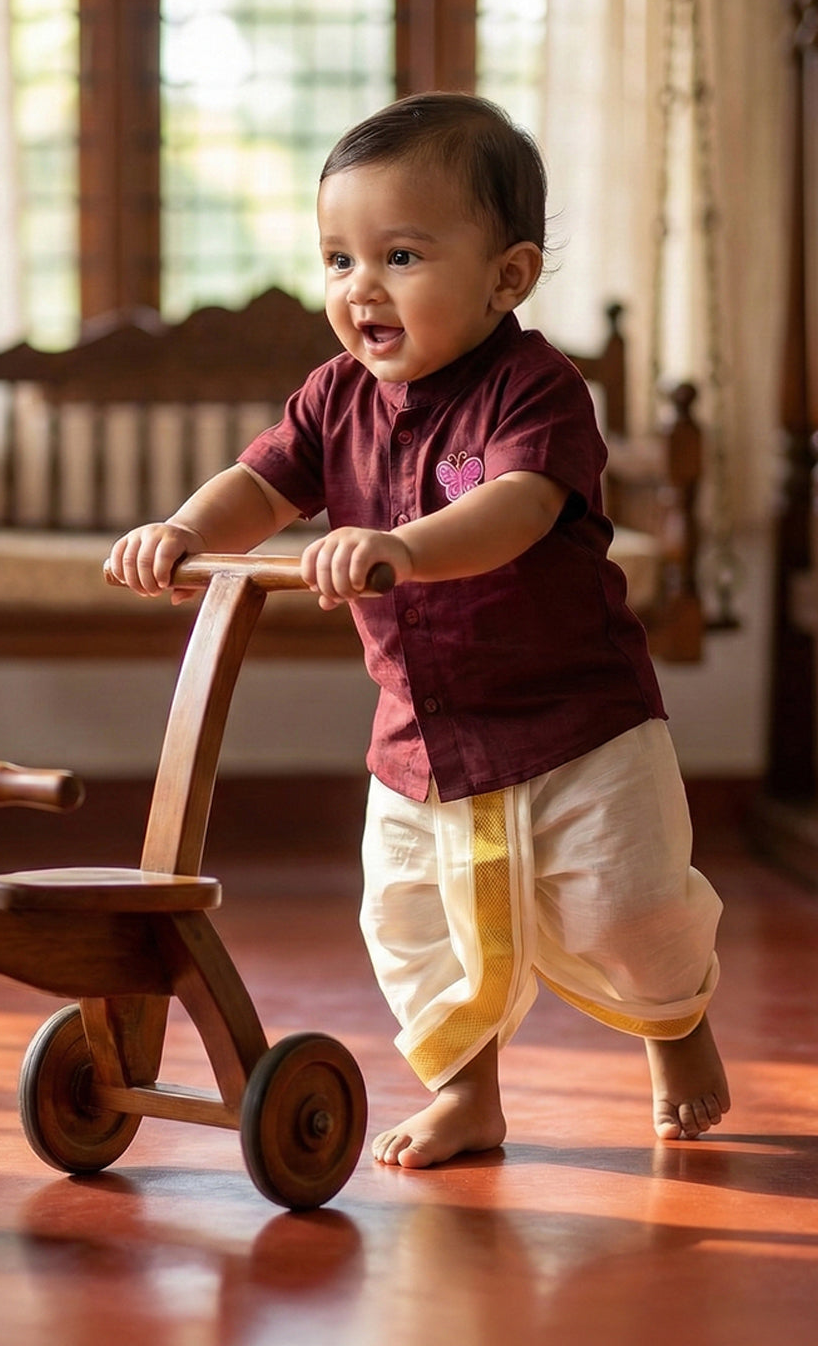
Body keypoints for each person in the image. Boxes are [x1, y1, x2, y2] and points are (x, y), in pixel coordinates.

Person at [107, 92, 730, 1170]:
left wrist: (401, 544)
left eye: (400, 255)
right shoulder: (331, 397)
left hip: (578, 724)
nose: (362, 289)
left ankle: (675, 1027)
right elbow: (257, 487)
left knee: (631, 908)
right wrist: (182, 528)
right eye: (339, 259)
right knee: (412, 923)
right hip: (419, 736)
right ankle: (466, 1095)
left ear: (508, 276)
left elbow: (517, 510)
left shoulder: (536, 392)